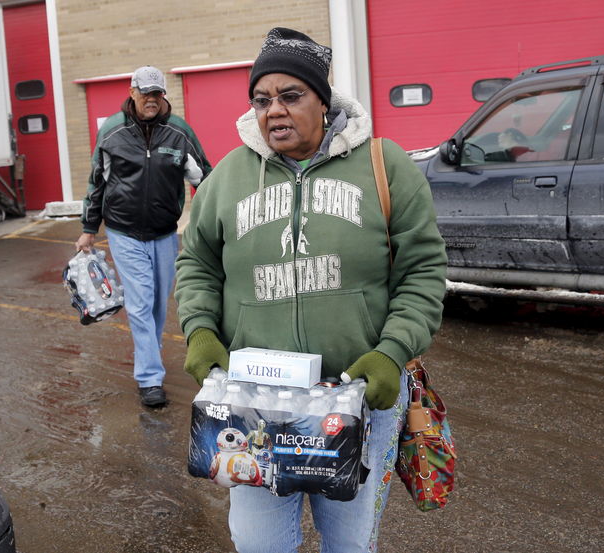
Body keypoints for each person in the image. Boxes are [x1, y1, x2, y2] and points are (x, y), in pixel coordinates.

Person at [174, 28, 447, 552]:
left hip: (358, 401)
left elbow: (422, 272)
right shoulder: (227, 179)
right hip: (253, 408)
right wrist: (200, 330)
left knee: (349, 545)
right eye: (261, 99)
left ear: (323, 100)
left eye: (291, 95)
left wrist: (392, 353)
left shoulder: (384, 167)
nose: (274, 110)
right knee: (260, 545)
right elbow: (198, 263)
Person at [77, 65, 211, 407]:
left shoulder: (178, 132)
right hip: (124, 230)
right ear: (132, 92)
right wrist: (89, 228)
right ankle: (150, 378)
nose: (151, 100)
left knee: (157, 302)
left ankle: (149, 352)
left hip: (164, 231)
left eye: (157, 94)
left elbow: (206, 180)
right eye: (145, 93)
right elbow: (97, 181)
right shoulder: (112, 131)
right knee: (139, 303)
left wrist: (214, 222)